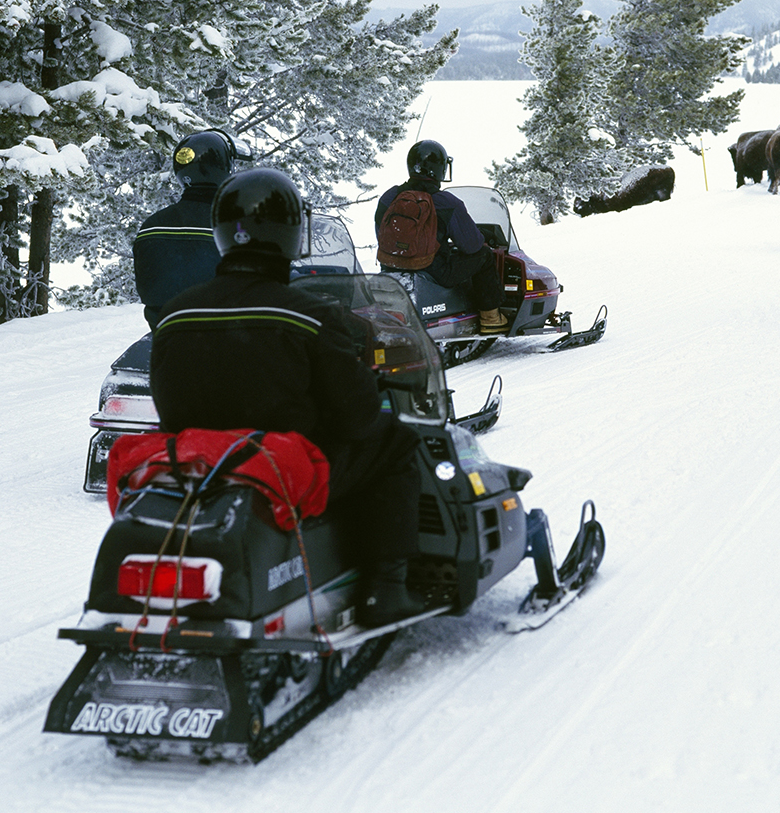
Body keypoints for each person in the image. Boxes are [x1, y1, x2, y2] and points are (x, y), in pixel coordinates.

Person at [149, 167, 426, 627]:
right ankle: (386, 589)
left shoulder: (177, 312)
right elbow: (358, 417)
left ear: (220, 234)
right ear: (291, 234)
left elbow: (168, 406)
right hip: (281, 469)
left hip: (198, 468)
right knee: (394, 442)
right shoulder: (311, 314)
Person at [374, 140, 509, 334]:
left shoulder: (389, 197)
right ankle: (491, 317)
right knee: (484, 256)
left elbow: (380, 234)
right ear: (439, 169)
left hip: (390, 266)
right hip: (433, 270)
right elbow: (471, 246)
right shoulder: (446, 202)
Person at [133, 131, 232, 329]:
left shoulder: (152, 226)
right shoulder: (237, 225)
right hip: (227, 341)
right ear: (224, 167)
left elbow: (150, 292)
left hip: (166, 339)